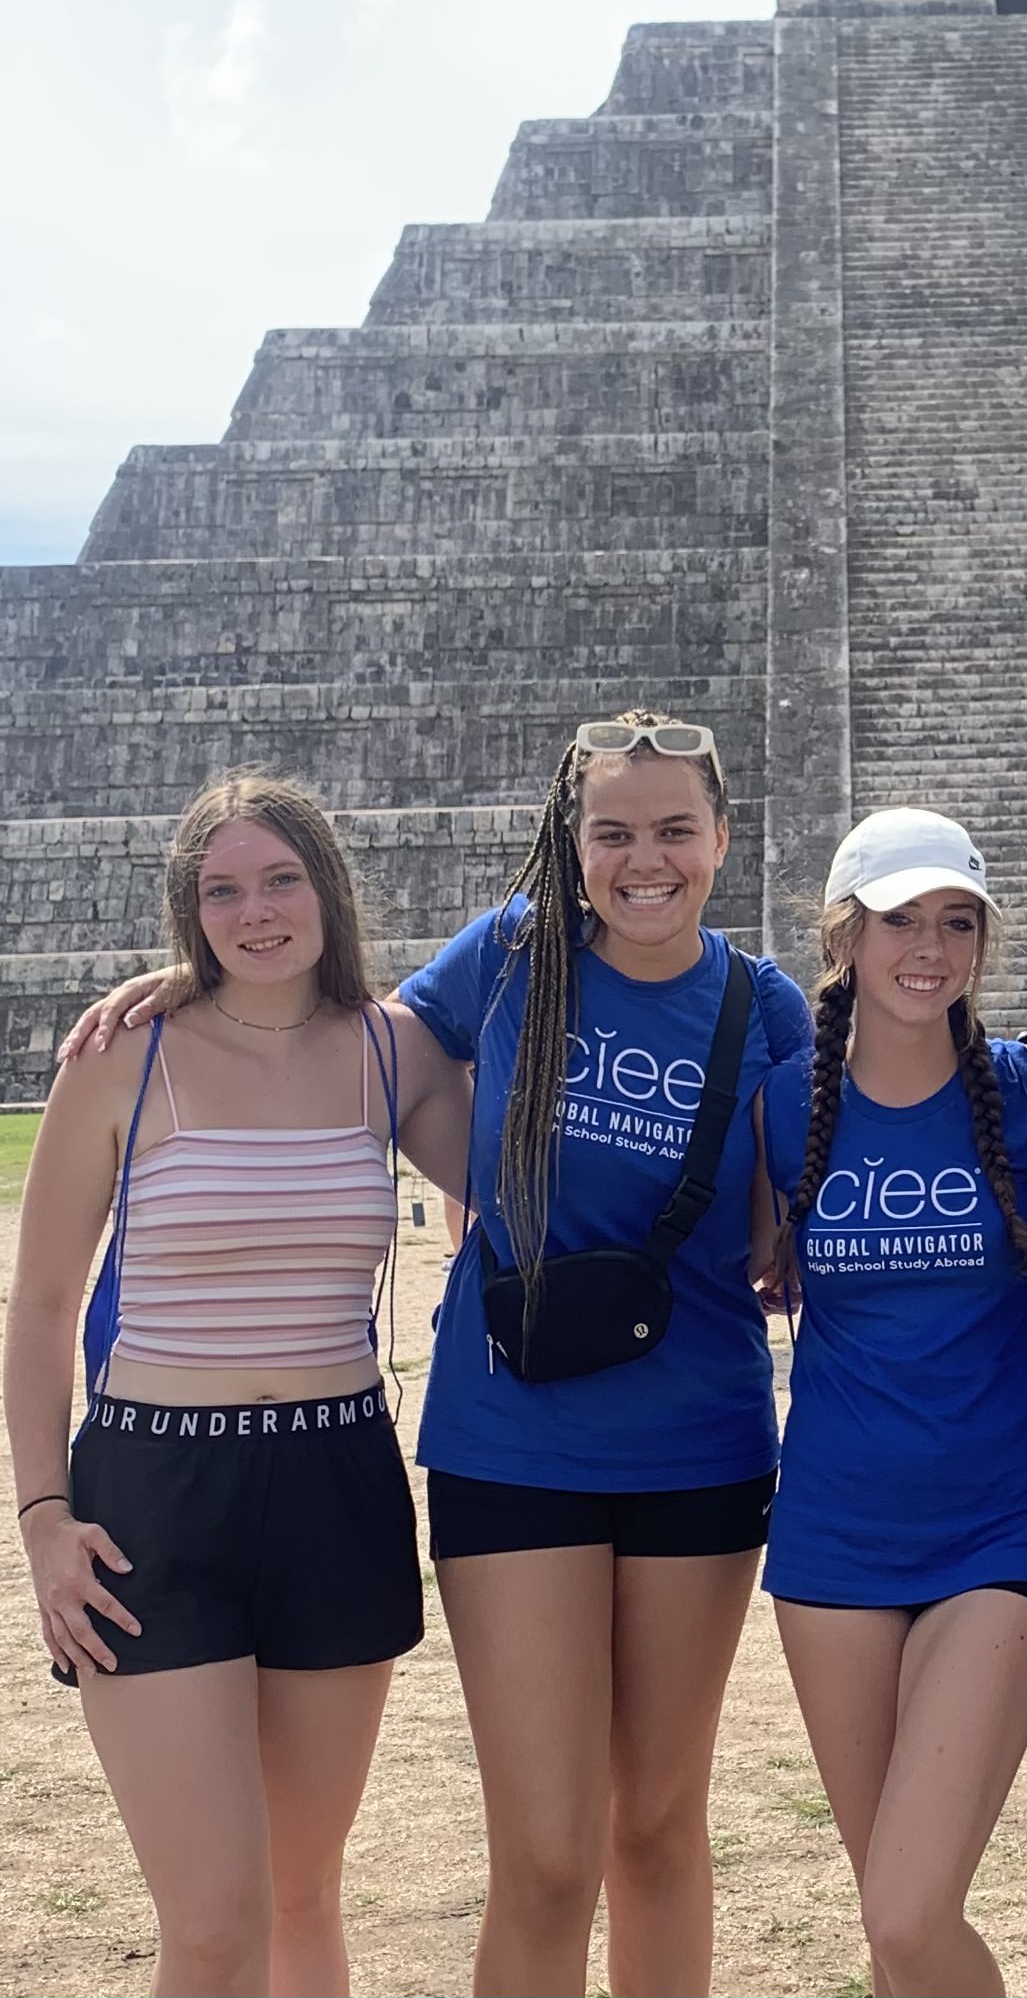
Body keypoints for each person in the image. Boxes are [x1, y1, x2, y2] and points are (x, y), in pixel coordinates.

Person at [61, 710, 809, 1998]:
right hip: (511, 1439)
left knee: (658, 1825)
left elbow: (802, 1191)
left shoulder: (769, 1007)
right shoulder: (512, 957)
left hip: (699, 1437)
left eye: (676, 829)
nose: (646, 857)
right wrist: (197, 983)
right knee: (547, 1852)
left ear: (722, 838)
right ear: (570, 847)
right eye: (613, 830)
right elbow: (356, 1041)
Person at [6, 771, 471, 1998]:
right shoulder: (125, 1053)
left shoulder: (393, 1050)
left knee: (304, 1895)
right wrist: (44, 1518)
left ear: (328, 888)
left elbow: (528, 1173)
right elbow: (44, 1303)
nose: (255, 912)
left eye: (280, 879)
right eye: (222, 890)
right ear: (189, 911)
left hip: (335, 1478)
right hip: (154, 1495)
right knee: (214, 1924)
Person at [756, 808, 1027, 1998]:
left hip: (1000, 1526)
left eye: (957, 921)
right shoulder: (780, 1105)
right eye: (901, 920)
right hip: (835, 1534)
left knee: (905, 1912)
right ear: (847, 935)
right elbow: (749, 1266)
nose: (929, 948)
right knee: (891, 1916)